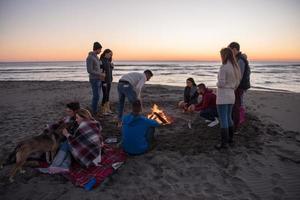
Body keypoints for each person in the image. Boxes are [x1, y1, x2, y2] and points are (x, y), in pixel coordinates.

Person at [38, 102, 80, 173]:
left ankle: (54, 166)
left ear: (76, 111)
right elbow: (58, 124)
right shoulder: (68, 118)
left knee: (66, 144)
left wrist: (67, 135)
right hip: (69, 142)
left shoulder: (78, 120)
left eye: (69, 111)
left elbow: (77, 136)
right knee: (62, 144)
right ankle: (64, 166)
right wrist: (49, 127)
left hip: (76, 144)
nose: (67, 113)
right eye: (67, 111)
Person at [215, 48, 241, 150]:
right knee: (229, 117)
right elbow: (237, 83)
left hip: (223, 96)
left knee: (223, 119)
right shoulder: (235, 67)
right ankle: (231, 139)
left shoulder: (224, 67)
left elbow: (221, 83)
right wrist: (231, 87)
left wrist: (216, 84)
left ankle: (224, 143)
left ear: (224, 55)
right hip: (231, 95)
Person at [228, 42, 251, 131]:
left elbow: (239, 76)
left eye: (230, 50)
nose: (229, 52)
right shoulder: (237, 58)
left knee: (237, 105)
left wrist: (234, 87)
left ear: (234, 49)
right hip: (239, 85)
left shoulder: (240, 60)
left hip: (239, 86)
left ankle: (237, 124)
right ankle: (237, 120)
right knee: (237, 103)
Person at [86, 42, 103, 115]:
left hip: (99, 79)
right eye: (100, 50)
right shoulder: (90, 57)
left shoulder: (96, 57)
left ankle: (95, 110)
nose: (100, 51)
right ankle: (94, 111)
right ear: (97, 49)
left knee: (98, 96)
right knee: (96, 96)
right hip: (94, 79)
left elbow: (98, 67)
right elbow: (89, 70)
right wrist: (100, 73)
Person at [100, 49, 114, 115]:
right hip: (104, 81)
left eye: (111, 55)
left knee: (107, 95)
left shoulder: (108, 61)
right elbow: (101, 71)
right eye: (110, 54)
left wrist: (112, 67)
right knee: (105, 95)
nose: (111, 56)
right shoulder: (101, 61)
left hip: (109, 80)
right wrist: (103, 81)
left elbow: (109, 71)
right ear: (105, 53)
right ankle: (103, 110)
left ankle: (107, 109)